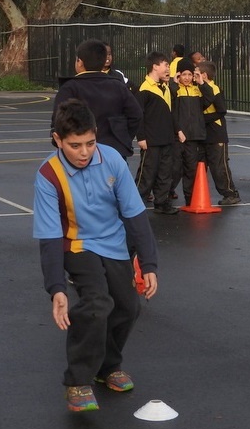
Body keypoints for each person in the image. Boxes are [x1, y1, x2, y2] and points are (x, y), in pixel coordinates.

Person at [33, 98, 159, 412]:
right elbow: (49, 237)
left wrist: (149, 263)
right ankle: (77, 381)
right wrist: (56, 288)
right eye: (75, 146)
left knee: (128, 307)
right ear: (58, 140)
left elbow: (134, 214)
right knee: (96, 304)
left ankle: (108, 367)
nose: (85, 152)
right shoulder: (48, 175)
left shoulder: (113, 159)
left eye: (90, 143)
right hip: (77, 245)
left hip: (114, 243)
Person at [51, 39, 142, 161]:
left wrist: (67, 143)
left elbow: (58, 120)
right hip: (114, 150)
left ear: (80, 62)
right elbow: (136, 114)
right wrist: (122, 137)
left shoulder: (70, 88)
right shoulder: (118, 86)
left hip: (80, 155)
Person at [134, 51, 179, 214]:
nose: (168, 68)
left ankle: (162, 202)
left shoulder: (165, 88)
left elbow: (170, 113)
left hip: (166, 139)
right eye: (166, 65)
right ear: (155, 66)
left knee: (165, 173)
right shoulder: (144, 89)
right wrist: (141, 137)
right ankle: (137, 201)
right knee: (147, 172)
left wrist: (177, 131)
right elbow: (138, 116)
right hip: (151, 140)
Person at [198, 61, 241, 205]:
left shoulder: (214, 89)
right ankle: (196, 193)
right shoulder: (199, 88)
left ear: (204, 75)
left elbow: (222, 110)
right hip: (203, 134)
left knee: (219, 166)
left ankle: (230, 193)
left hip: (216, 134)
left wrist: (202, 119)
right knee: (200, 165)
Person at [171, 58, 213, 206]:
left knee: (191, 169)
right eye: (184, 74)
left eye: (190, 74)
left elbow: (209, 99)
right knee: (174, 169)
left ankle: (190, 199)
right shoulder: (175, 90)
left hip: (193, 137)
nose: (187, 78)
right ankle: (167, 194)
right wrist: (173, 83)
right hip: (178, 137)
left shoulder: (198, 90)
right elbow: (171, 110)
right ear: (178, 75)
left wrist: (202, 83)